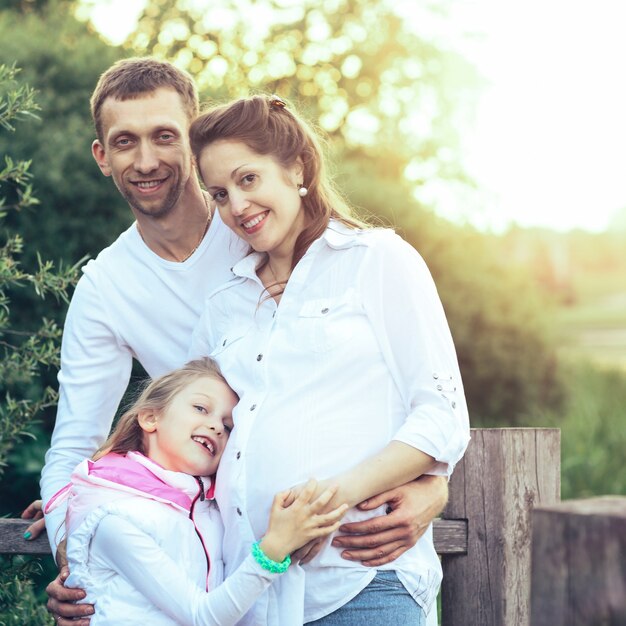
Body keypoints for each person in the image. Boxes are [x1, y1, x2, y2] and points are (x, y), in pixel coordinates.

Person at [20, 58, 449, 625]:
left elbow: (420, 395)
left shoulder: (301, 244)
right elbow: (79, 447)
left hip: (350, 573)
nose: (146, 160)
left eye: (164, 136)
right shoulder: (127, 289)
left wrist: (433, 483)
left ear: (193, 143)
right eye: (125, 141)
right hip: (238, 582)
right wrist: (80, 560)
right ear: (102, 155)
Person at [188, 94, 471, 625]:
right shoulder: (222, 305)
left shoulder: (377, 260)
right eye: (220, 194)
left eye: (249, 180)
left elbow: (441, 415)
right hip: (250, 594)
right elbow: (188, 430)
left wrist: (325, 505)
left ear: (296, 167)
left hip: (360, 581)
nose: (237, 207)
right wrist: (89, 505)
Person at [44, 357, 348, 625]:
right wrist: (275, 548)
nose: (216, 426)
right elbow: (202, 617)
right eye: (201, 408)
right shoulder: (116, 520)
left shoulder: (208, 511)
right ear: (151, 418)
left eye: (229, 426)